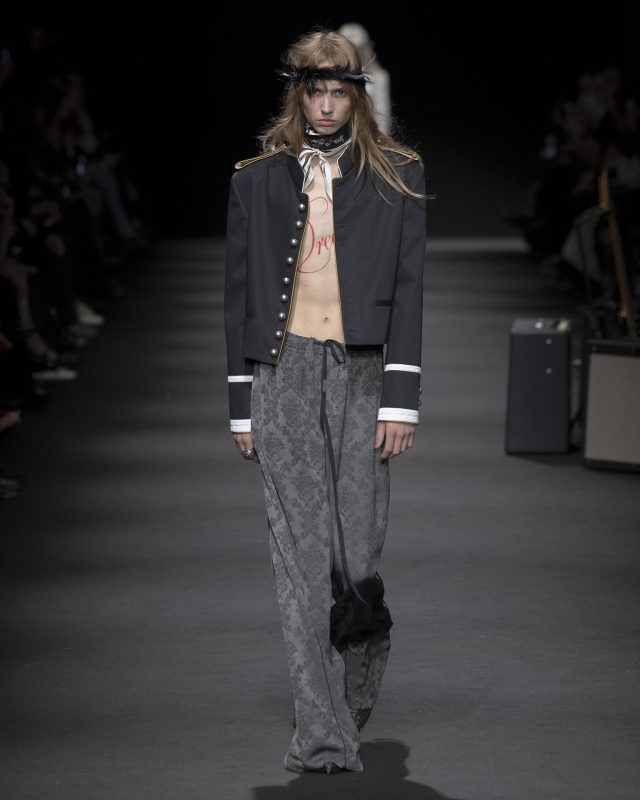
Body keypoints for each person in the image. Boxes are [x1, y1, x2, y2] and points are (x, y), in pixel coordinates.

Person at [223, 28, 427, 775]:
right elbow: (238, 298)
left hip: (365, 372)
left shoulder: (398, 175)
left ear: (358, 95)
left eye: (341, 91)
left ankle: (363, 647)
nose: (329, 103)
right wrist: (242, 406)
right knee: (299, 557)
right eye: (316, 90)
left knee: (357, 547)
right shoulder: (254, 181)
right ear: (299, 93)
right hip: (281, 375)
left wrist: (400, 401)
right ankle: (319, 730)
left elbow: (409, 293)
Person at [338, 21, 392, 134]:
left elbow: (382, 113)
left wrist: (380, 144)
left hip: (365, 136)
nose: (352, 51)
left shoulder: (379, 77)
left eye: (356, 47)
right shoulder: (330, 73)